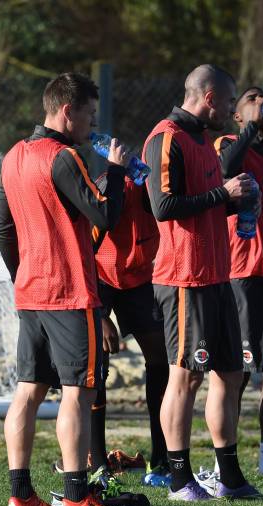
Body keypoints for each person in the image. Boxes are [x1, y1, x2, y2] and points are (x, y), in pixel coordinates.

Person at [0, 72, 127, 506]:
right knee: (78, 394)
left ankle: (20, 495)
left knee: (27, 391)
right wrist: (116, 171)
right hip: (69, 292)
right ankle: (75, 498)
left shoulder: (13, 156)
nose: (93, 124)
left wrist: (22, 274)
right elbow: (105, 215)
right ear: (68, 111)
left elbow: (3, 229)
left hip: (31, 292)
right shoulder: (63, 157)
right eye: (90, 115)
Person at [143, 64, 263, 501]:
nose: (232, 111)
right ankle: (178, 479)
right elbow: (163, 206)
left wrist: (238, 203)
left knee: (230, 373)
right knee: (186, 378)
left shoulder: (203, 142)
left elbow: (207, 205)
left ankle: (229, 477)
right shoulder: (166, 137)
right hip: (183, 277)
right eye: (229, 102)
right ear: (210, 98)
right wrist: (223, 195)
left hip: (216, 275)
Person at [213, 86, 263, 477]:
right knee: (237, 373)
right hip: (241, 272)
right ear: (237, 114)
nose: (261, 101)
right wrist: (250, 127)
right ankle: (222, 461)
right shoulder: (228, 144)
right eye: (251, 99)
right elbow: (225, 169)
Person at [89, 166, 171, 487]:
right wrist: (99, 314)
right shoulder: (116, 189)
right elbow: (81, 249)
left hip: (139, 278)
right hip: (100, 276)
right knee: (96, 363)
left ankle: (161, 461)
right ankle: (97, 463)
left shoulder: (164, 195)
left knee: (160, 360)